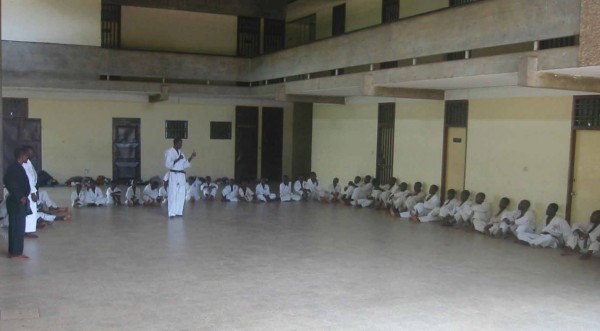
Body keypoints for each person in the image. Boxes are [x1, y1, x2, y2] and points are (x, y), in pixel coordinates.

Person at [4, 147, 31, 259]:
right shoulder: (15, 168)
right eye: (26, 155)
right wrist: (20, 197)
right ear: (21, 156)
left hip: (18, 201)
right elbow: (10, 183)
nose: (27, 157)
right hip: (16, 202)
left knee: (18, 228)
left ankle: (15, 252)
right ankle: (15, 253)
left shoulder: (17, 168)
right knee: (17, 228)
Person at [164, 138, 196, 217]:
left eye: (181, 143)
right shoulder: (169, 152)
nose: (181, 145)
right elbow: (168, 164)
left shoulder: (181, 152)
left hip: (181, 175)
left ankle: (179, 212)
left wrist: (191, 157)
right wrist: (178, 159)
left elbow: (184, 164)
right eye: (179, 143)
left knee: (181, 193)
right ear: (174, 143)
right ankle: (171, 213)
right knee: (173, 193)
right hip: (174, 174)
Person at [22, 146, 39, 239]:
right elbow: (28, 180)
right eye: (29, 152)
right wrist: (33, 193)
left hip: (32, 189)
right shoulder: (23, 164)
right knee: (29, 211)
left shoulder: (29, 162)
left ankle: (29, 230)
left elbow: (33, 177)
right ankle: (27, 231)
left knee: (32, 211)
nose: (31, 154)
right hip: (29, 192)